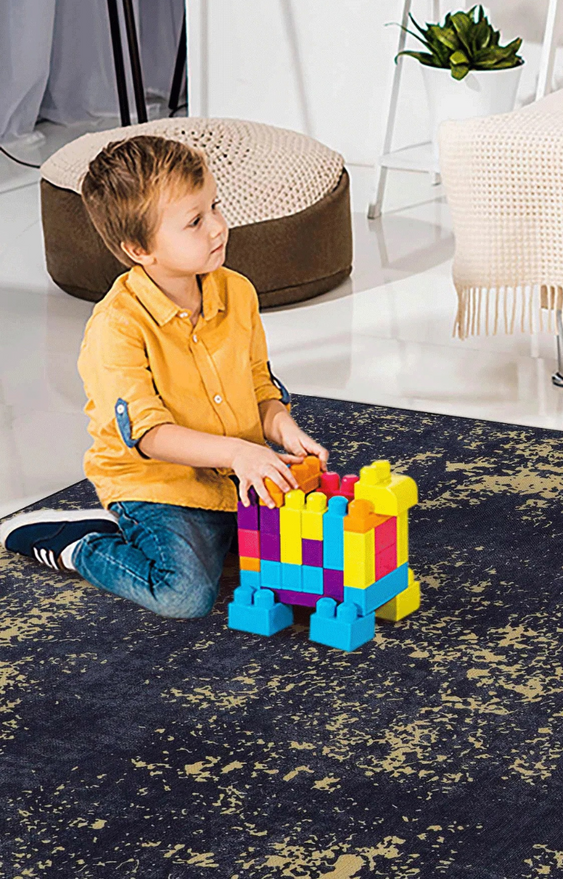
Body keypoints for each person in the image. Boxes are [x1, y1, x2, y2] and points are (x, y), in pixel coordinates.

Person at [0, 135, 330, 618]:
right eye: (195, 222)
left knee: (301, 561)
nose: (218, 227)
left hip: (229, 474)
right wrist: (240, 452)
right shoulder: (117, 327)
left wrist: (283, 429)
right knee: (186, 595)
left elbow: (260, 384)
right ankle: (82, 542)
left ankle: (214, 537)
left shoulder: (236, 291)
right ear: (138, 248)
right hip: (156, 484)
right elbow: (150, 436)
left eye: (214, 207)